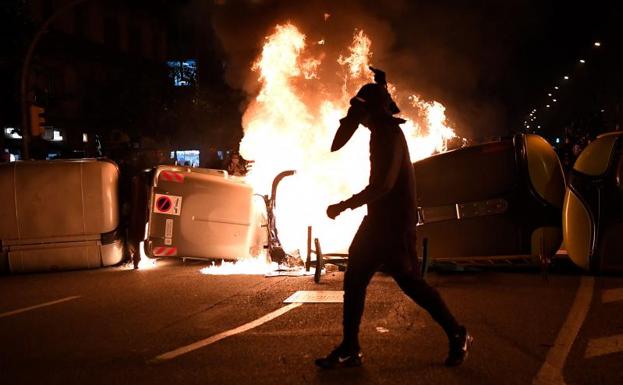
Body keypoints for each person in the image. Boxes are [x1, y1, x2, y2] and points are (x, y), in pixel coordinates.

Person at [315, 67, 473, 369]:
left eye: (360, 114)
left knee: (411, 283)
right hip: (379, 223)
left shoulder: (386, 136)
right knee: (356, 278)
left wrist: (344, 205)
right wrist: (382, 84)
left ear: (370, 112)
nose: (357, 122)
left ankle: (457, 332)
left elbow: (383, 185)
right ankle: (350, 347)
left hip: (393, 225)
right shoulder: (383, 131)